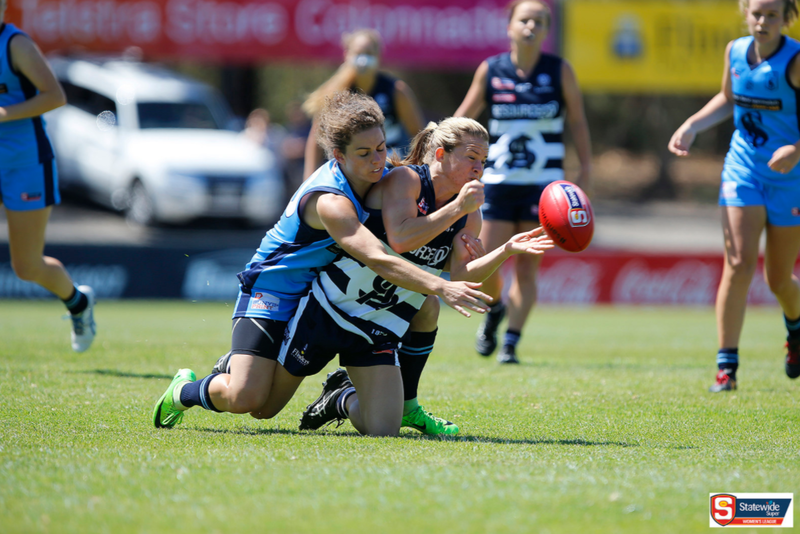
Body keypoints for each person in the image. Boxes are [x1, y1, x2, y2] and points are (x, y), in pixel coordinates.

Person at [152, 92, 491, 429]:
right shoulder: (331, 200)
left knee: (420, 318)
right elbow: (377, 256)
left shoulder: (382, 178)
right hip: (274, 289)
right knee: (250, 401)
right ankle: (185, 390)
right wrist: (440, 286)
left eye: (381, 148)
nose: (377, 160)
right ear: (338, 155)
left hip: (318, 290)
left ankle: (341, 395)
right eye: (364, 153)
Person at [294, 117, 554, 436]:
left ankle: (370, 402)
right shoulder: (407, 180)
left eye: (484, 161)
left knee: (426, 309)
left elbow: (460, 275)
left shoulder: (470, 211)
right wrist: (457, 208)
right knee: (260, 402)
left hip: (386, 310)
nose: (479, 168)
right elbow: (402, 237)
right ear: (442, 155)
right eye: (471, 158)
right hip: (337, 299)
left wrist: (506, 251)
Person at [668, 0, 800, 391]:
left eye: (772, 15)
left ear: (786, 18)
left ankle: (796, 330)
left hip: (788, 178)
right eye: (757, 13)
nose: (763, 22)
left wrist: (796, 149)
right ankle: (727, 367)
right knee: (739, 262)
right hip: (742, 169)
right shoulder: (735, 51)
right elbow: (728, 97)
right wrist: (693, 125)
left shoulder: (794, 60)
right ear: (745, 12)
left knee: (778, 279)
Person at [455, 0, 592, 364]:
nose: (531, 26)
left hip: (545, 189)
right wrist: (447, 154)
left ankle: (511, 342)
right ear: (510, 26)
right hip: (498, 183)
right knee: (484, 261)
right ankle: (496, 308)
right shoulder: (492, 70)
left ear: (547, 30)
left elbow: (577, 121)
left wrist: (586, 167)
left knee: (528, 268)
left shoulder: (559, 70)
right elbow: (463, 118)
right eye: (524, 19)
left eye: (539, 21)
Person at [0, 7, 96, 352]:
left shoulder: (16, 45)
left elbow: (55, 96)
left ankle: (78, 303)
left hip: (25, 163)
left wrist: (4, 113)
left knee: (26, 266)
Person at [302, 28, 425, 179]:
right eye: (358, 53)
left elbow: (420, 135)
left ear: (378, 56)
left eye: (369, 53)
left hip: (387, 173)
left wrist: (421, 174)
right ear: (347, 54)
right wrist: (308, 181)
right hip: (347, 175)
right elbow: (315, 139)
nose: (363, 59)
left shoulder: (396, 91)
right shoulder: (335, 93)